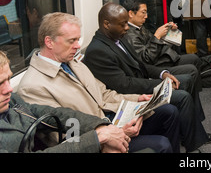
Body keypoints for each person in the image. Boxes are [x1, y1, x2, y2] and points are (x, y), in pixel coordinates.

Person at [16, 12, 180, 153]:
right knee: (161, 145)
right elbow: (60, 138)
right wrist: (114, 134)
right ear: (49, 42)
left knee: (169, 112)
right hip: (99, 142)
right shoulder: (32, 87)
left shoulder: (75, 64)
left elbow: (104, 94)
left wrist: (137, 99)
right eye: (71, 41)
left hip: (112, 120)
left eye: (78, 40)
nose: (77, 46)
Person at [83, 3, 211, 152]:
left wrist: (163, 74)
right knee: (182, 97)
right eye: (122, 25)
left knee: (186, 80)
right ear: (107, 24)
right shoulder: (97, 51)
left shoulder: (118, 38)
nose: (127, 28)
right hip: (128, 95)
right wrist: (161, 84)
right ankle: (193, 141)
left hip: (139, 83)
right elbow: (124, 85)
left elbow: (140, 65)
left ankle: (191, 130)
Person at [1, 51, 131, 153]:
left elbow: (55, 114)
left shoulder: (12, 101)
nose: (9, 89)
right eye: (1, 83)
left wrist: (101, 128)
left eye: (9, 79)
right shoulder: (31, 86)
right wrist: (98, 139)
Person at [123, 0, 203, 94]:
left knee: (194, 58)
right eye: (143, 12)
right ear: (131, 13)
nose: (146, 16)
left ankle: (197, 93)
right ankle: (193, 95)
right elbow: (146, 59)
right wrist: (157, 36)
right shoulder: (129, 35)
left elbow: (155, 43)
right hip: (156, 65)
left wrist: (168, 32)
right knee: (192, 69)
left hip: (162, 58)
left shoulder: (140, 28)